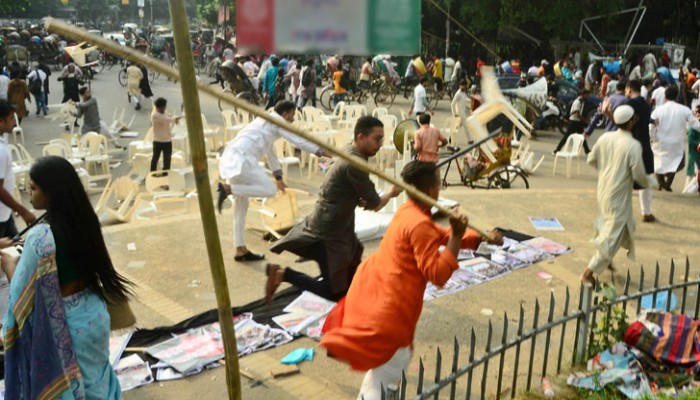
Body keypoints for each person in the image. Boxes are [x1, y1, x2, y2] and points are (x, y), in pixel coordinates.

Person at [319, 160, 503, 400]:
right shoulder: (418, 223)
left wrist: (481, 237)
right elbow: (437, 274)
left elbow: (440, 234)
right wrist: (457, 236)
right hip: (391, 309)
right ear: (429, 190)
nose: (440, 190)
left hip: (376, 295)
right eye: (439, 184)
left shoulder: (409, 212)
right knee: (393, 364)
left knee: (383, 373)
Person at [1, 156, 132, 399]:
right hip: (94, 316)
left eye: (33, 188)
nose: (29, 194)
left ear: (50, 192)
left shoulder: (41, 237)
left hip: (65, 327)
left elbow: (20, 295)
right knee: (96, 382)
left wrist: (9, 264)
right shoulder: (86, 221)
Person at [264, 116, 402, 302]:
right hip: (328, 233)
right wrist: (392, 193)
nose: (380, 144)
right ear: (361, 137)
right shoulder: (355, 164)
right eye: (377, 139)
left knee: (354, 267)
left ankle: (357, 302)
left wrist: (358, 199)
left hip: (338, 227)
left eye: (381, 139)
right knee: (335, 292)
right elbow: (376, 204)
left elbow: (353, 193)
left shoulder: (349, 151)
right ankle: (283, 274)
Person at [218, 100, 328, 262]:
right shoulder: (276, 122)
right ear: (284, 114)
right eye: (291, 115)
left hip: (233, 158)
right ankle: (228, 190)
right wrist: (322, 151)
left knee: (241, 208)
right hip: (242, 160)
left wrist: (278, 177)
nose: (292, 120)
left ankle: (240, 248)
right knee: (269, 190)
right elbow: (297, 140)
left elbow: (270, 151)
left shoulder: (265, 120)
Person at [581, 105, 649, 285]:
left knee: (624, 226)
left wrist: (607, 170)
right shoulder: (632, 145)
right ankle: (589, 272)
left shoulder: (605, 137)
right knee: (613, 235)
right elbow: (640, 175)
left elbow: (591, 159)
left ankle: (607, 259)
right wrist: (651, 183)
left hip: (603, 190)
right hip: (618, 196)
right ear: (631, 122)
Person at [650, 85, 700, 191]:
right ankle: (666, 184)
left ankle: (663, 184)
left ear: (665, 97)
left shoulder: (657, 111)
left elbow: (651, 126)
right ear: (677, 96)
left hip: (660, 142)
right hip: (676, 144)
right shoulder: (684, 110)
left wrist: (651, 137)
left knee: (658, 163)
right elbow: (696, 124)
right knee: (676, 164)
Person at [0, 100, 36, 237]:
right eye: (10, 119)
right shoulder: (1, 151)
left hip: (5, 214)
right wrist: (23, 211)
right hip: (1, 218)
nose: (14, 122)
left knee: (17, 246)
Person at [625, 80, 656, 222]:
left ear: (629, 89)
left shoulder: (629, 104)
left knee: (624, 180)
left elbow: (622, 125)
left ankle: (622, 214)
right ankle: (647, 212)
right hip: (644, 144)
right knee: (646, 179)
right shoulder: (646, 104)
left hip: (630, 145)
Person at [554, 89, 591, 154]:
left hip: (577, 122)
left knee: (582, 136)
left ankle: (587, 150)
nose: (587, 97)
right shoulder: (577, 102)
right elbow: (577, 114)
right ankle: (557, 150)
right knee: (566, 137)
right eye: (586, 95)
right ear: (582, 94)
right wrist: (585, 121)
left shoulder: (582, 101)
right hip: (574, 122)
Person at [150, 97, 181, 172]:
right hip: (158, 141)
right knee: (155, 158)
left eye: (164, 108)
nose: (164, 109)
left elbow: (169, 115)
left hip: (167, 140)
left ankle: (166, 174)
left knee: (167, 159)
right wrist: (175, 119)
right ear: (158, 107)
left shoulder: (163, 111)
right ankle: (152, 173)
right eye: (162, 108)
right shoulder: (155, 115)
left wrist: (174, 118)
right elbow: (167, 120)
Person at [451, 80, 473, 144]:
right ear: (460, 86)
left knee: (457, 127)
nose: (464, 87)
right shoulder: (458, 94)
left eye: (465, 86)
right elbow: (452, 104)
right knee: (464, 126)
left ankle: (451, 138)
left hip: (463, 113)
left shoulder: (463, 93)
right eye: (462, 86)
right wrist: (454, 114)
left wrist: (472, 100)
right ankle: (470, 140)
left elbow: (465, 98)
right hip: (459, 114)